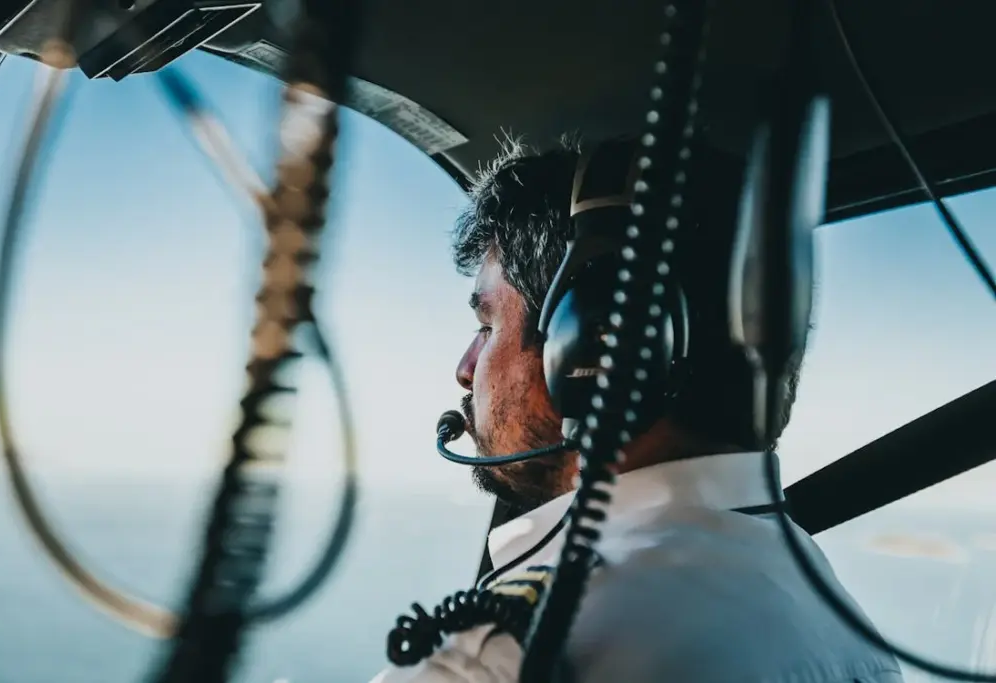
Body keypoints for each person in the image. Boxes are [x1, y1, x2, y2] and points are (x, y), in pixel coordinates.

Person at [370, 138, 904, 682]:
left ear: (591, 346)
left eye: (488, 326)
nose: (466, 367)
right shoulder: (831, 611)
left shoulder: (511, 654)